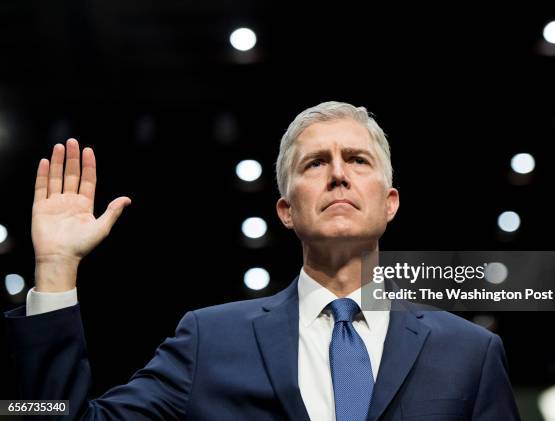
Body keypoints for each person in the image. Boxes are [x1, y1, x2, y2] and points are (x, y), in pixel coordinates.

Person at [4, 101, 520, 420]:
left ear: (390, 203)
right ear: (286, 211)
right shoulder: (210, 341)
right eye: (315, 163)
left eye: (357, 161)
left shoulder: (470, 354)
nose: (338, 174)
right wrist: (54, 269)